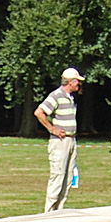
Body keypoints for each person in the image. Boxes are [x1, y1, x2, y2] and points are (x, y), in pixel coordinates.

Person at [34, 67, 84, 212]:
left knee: (68, 179)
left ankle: (59, 212)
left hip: (71, 140)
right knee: (57, 176)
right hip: (59, 142)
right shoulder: (56, 95)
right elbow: (39, 112)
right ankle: (48, 214)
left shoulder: (71, 97)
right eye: (77, 82)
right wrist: (52, 129)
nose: (79, 85)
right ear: (70, 82)